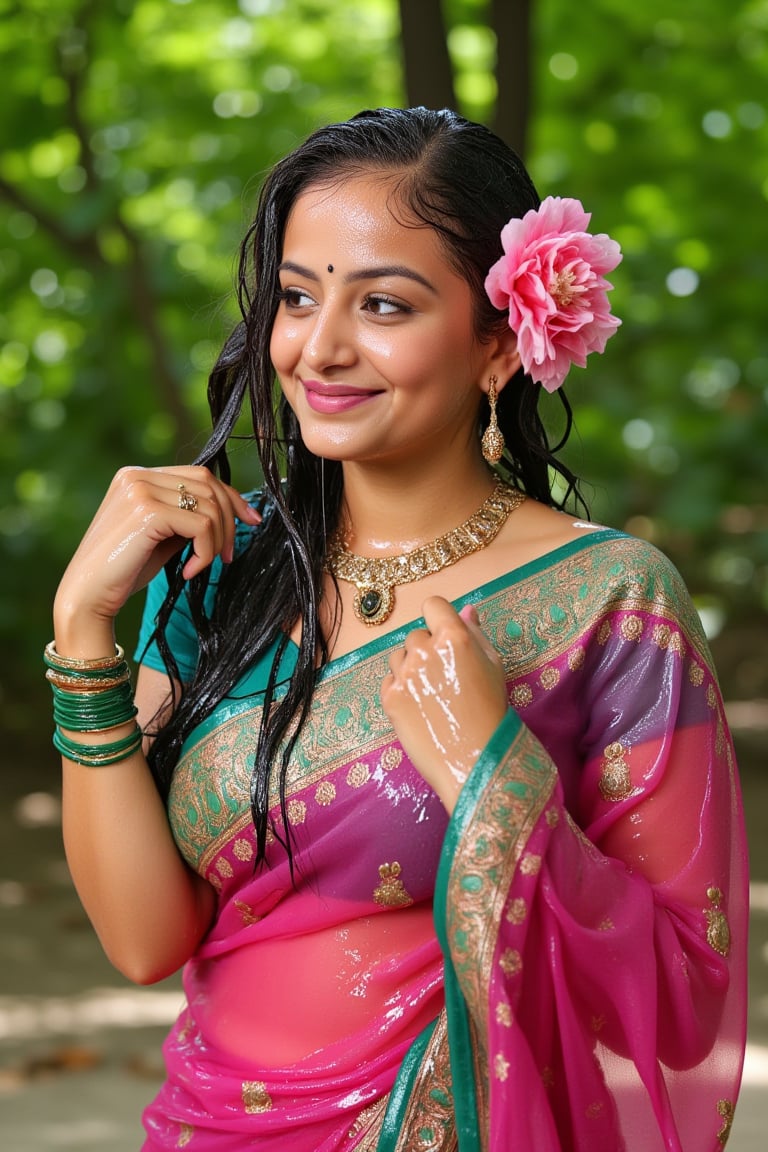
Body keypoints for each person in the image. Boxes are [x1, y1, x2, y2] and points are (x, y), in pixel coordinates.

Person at [49, 107, 747, 1152]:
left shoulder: (612, 600)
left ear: (502, 343)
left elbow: (686, 993)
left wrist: (492, 774)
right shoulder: (215, 578)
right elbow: (146, 942)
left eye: (383, 303)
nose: (321, 348)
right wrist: (85, 632)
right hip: (209, 1127)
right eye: (295, 297)